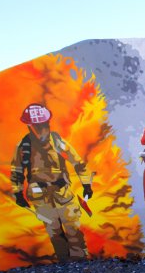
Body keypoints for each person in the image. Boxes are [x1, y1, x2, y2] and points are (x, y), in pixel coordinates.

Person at [11, 103, 93, 263]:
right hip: (40, 197)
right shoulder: (23, 146)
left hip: (63, 193)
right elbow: (17, 171)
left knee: (73, 229)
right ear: (30, 126)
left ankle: (80, 263)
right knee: (54, 232)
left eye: (43, 124)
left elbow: (77, 161)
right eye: (37, 125)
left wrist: (86, 184)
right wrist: (17, 192)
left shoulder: (57, 141)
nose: (40, 128)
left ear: (47, 123)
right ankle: (64, 263)